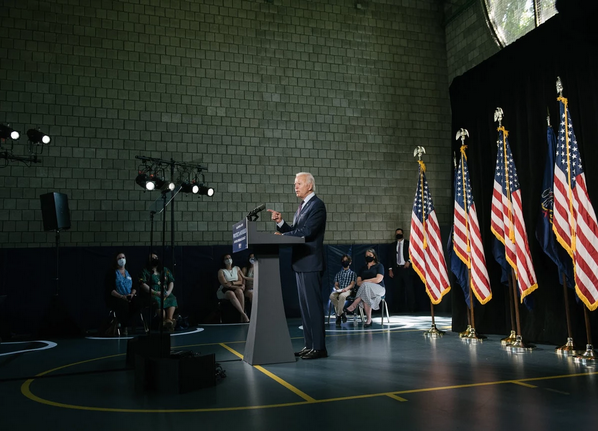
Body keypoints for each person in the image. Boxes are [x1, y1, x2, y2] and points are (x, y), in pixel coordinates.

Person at [268, 172, 328, 360]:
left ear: (309, 186)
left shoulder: (317, 205)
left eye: (299, 183)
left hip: (310, 262)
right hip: (301, 263)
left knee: (313, 308)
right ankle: (309, 345)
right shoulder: (302, 207)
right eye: (295, 184)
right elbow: (296, 231)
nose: (295, 186)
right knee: (305, 309)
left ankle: (319, 348)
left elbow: (308, 232)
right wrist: (281, 223)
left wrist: (284, 236)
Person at [346, 248, 385, 328]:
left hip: (379, 288)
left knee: (365, 285)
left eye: (370, 255)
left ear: (374, 256)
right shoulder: (362, 268)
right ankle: (368, 320)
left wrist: (366, 281)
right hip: (366, 290)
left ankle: (354, 304)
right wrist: (365, 283)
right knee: (366, 293)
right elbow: (358, 282)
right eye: (367, 255)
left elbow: (378, 279)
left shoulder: (379, 266)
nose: (368, 257)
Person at [139, 252, 178, 331]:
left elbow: (171, 281)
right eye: (152, 258)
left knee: (172, 298)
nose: (154, 259)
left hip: (165, 293)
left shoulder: (165, 270)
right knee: (157, 301)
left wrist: (168, 292)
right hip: (153, 294)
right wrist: (155, 292)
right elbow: (142, 284)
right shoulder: (145, 271)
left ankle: (169, 320)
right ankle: (164, 321)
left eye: (156, 258)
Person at [105, 251, 140, 335]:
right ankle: (124, 327)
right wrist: (121, 296)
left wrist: (132, 294)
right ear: (116, 260)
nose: (122, 260)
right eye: (119, 258)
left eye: (123, 258)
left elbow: (135, 286)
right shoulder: (112, 273)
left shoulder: (130, 272)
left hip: (129, 296)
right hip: (117, 297)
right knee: (124, 305)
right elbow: (110, 289)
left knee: (137, 303)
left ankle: (130, 325)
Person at [387, 227, 415, 313]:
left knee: (409, 289)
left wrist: (409, 261)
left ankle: (411, 308)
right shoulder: (392, 245)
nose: (398, 235)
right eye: (397, 234)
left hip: (406, 269)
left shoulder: (408, 244)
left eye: (400, 233)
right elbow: (390, 258)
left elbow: (413, 254)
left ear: (403, 234)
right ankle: (397, 308)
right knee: (397, 290)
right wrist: (390, 269)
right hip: (397, 269)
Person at [217, 253, 250, 323]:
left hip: (236, 287)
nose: (229, 260)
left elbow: (240, 281)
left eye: (230, 258)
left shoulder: (236, 268)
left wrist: (232, 283)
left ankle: (241, 318)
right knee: (231, 293)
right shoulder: (221, 271)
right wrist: (236, 285)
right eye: (226, 259)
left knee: (239, 291)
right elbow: (225, 284)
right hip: (225, 290)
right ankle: (243, 314)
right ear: (223, 261)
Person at [329, 254, 357, 327]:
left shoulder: (352, 273)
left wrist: (345, 289)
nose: (345, 262)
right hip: (340, 290)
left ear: (350, 262)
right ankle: (342, 313)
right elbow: (336, 284)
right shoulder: (338, 274)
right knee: (332, 296)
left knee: (342, 296)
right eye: (343, 261)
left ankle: (338, 316)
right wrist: (339, 289)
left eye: (346, 260)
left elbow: (352, 284)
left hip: (348, 290)